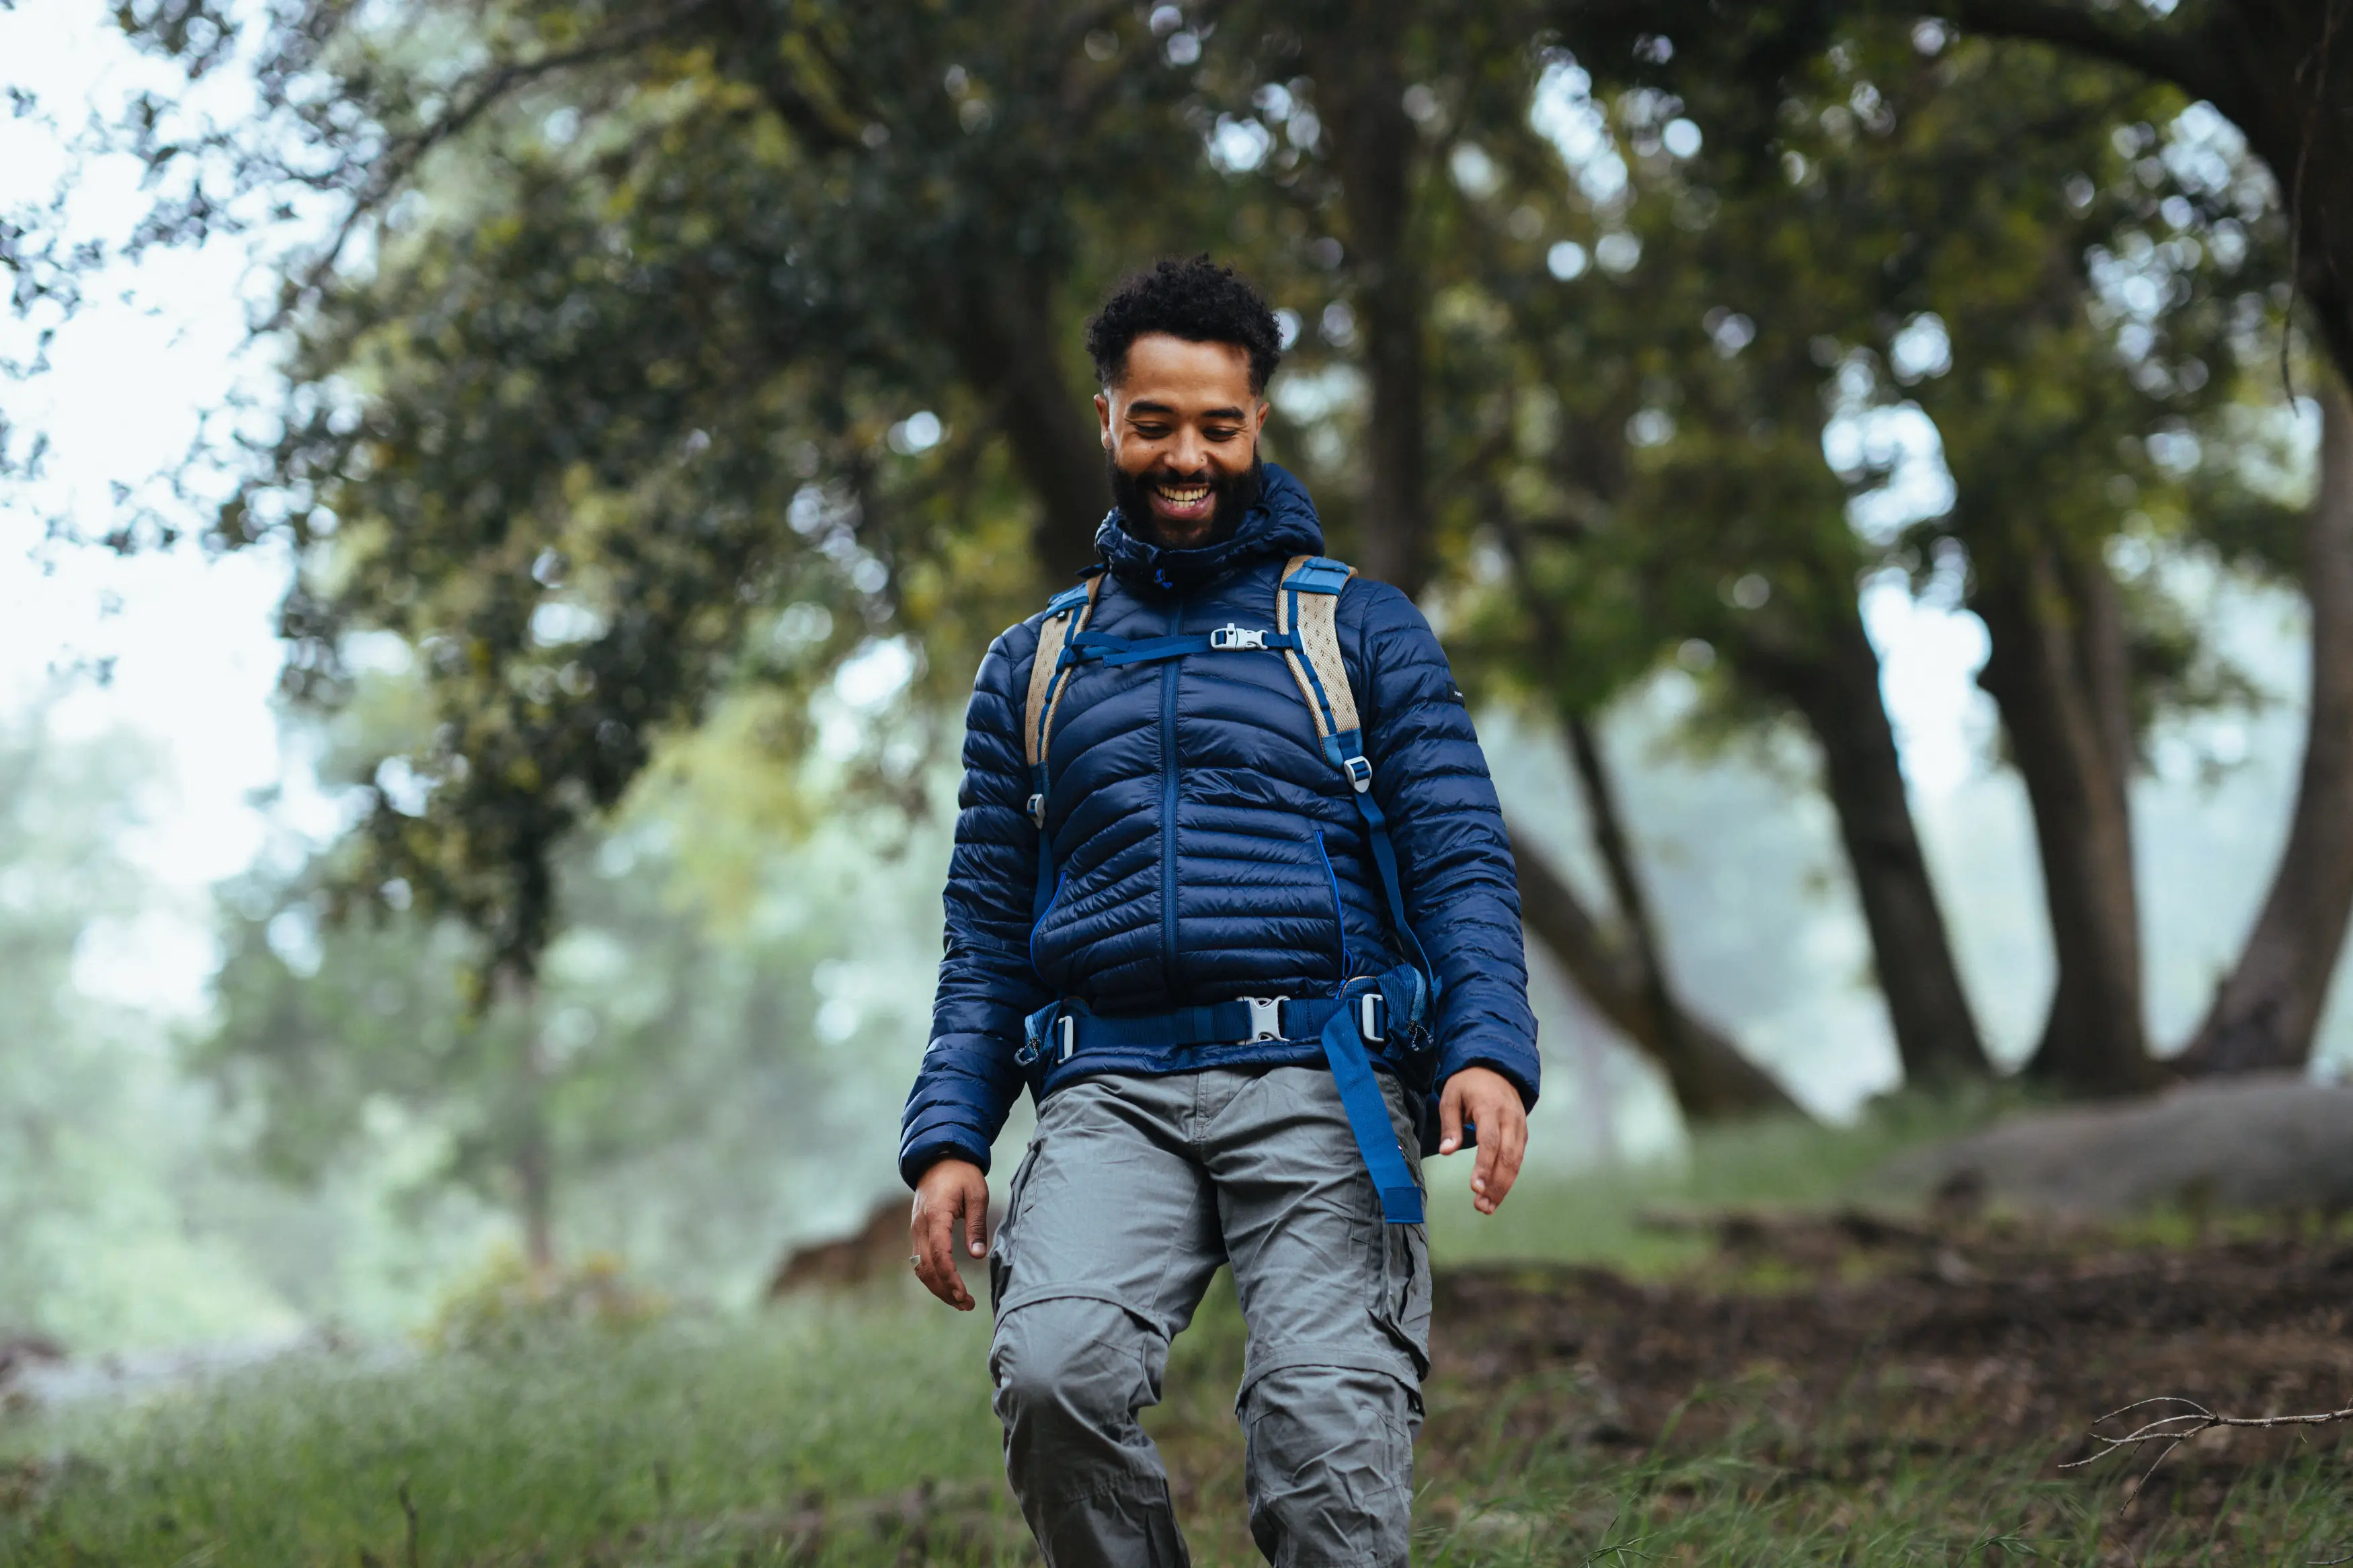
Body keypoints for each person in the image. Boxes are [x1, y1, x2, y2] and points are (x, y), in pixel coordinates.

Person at [898, 255, 1538, 1568]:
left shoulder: (1359, 632)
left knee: (1325, 1451)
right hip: (1110, 1093)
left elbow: (1461, 861)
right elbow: (986, 928)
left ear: (1257, 423)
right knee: (1055, 1379)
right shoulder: (1033, 668)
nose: (1185, 457)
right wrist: (951, 1134)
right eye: (1154, 424)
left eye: (1217, 426)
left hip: (1321, 1077)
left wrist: (1485, 1049)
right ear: (1106, 420)